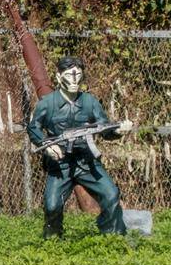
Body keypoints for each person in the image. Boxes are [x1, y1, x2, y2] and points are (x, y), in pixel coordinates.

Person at [27, 55, 134, 237]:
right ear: (59, 77)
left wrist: (118, 130)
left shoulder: (89, 102)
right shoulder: (48, 103)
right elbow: (33, 127)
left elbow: (103, 128)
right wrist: (47, 146)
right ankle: (52, 242)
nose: (75, 79)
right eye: (69, 75)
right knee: (52, 205)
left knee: (111, 195)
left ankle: (113, 238)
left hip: (86, 162)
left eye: (78, 75)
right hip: (60, 164)